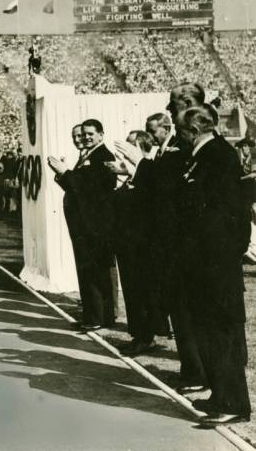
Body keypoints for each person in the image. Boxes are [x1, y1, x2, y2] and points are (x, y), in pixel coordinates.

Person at [115, 107, 207, 393]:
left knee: (187, 314)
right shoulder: (164, 153)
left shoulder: (176, 153)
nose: (150, 133)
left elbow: (164, 192)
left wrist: (138, 167)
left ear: (167, 129)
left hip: (174, 243)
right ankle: (190, 370)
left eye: (153, 129)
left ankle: (195, 372)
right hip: (162, 242)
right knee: (180, 313)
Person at [175, 106, 251, 425]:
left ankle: (232, 403)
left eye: (180, 131)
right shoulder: (205, 155)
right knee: (208, 332)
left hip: (214, 264)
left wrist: (215, 256)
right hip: (205, 262)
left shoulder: (217, 156)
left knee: (220, 333)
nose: (178, 138)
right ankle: (221, 394)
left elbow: (222, 215)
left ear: (192, 130)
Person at [48, 119, 117, 331]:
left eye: (90, 134)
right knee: (87, 270)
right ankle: (93, 315)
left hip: (94, 225)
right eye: (83, 134)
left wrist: (65, 172)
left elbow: (89, 189)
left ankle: (98, 318)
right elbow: (76, 187)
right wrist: (63, 174)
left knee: (95, 271)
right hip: (84, 224)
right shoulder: (88, 156)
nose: (86, 137)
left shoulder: (102, 157)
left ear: (101, 135)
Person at [110, 130, 167, 356]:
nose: (126, 149)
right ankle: (138, 335)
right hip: (128, 246)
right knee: (133, 293)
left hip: (143, 247)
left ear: (143, 148)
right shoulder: (129, 174)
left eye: (132, 145)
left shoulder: (149, 172)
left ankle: (146, 336)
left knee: (143, 293)